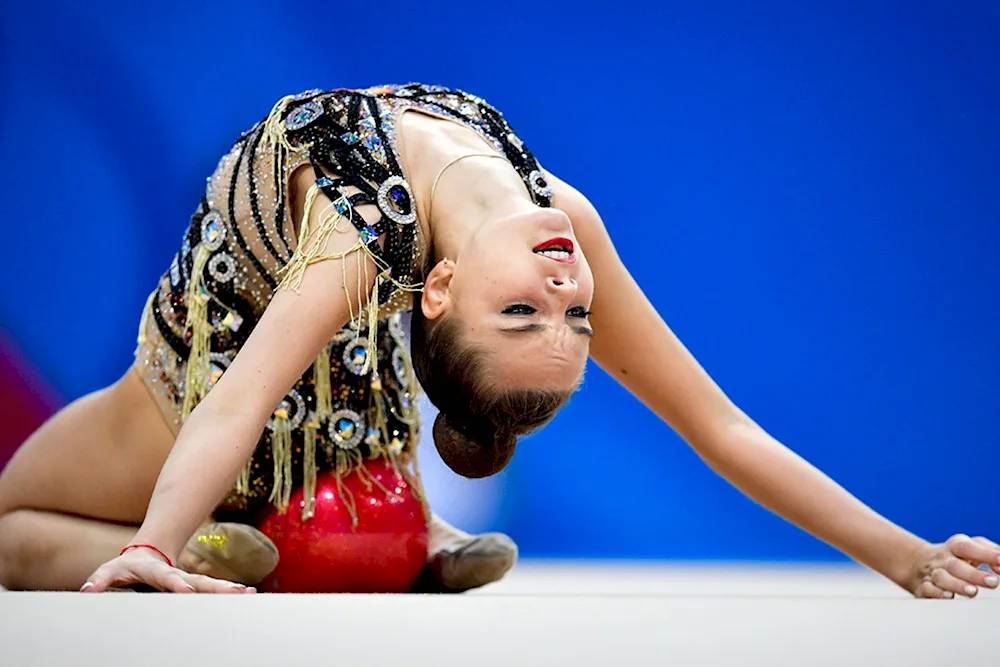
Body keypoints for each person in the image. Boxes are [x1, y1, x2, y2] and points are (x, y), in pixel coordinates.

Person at [1, 83, 997, 599]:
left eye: (530, 311)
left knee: (9, 524)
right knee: (319, 397)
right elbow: (722, 424)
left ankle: (248, 543)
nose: (566, 292)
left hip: (210, 365)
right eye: (570, 317)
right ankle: (373, 542)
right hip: (341, 397)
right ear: (434, 286)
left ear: (437, 289)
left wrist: (149, 549)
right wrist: (901, 554)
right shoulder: (561, 214)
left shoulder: (364, 235)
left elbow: (236, 395)